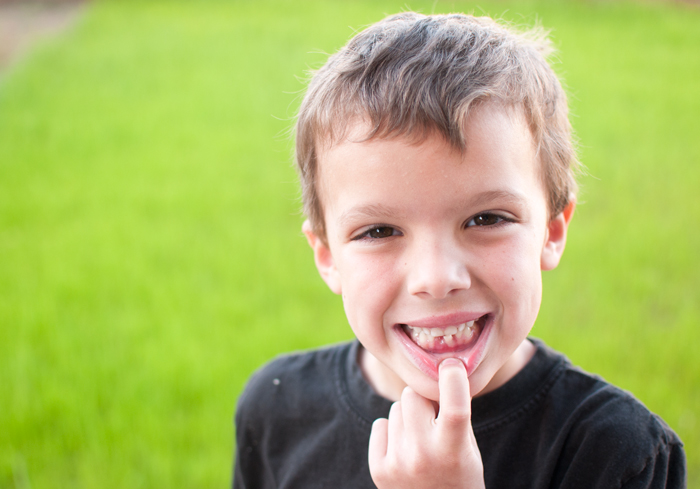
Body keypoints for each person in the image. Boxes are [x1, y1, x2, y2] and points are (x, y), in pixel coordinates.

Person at [233, 12, 686, 489]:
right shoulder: (276, 411)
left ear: (551, 231)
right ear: (326, 255)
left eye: (486, 219)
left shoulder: (617, 454)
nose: (436, 277)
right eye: (380, 231)